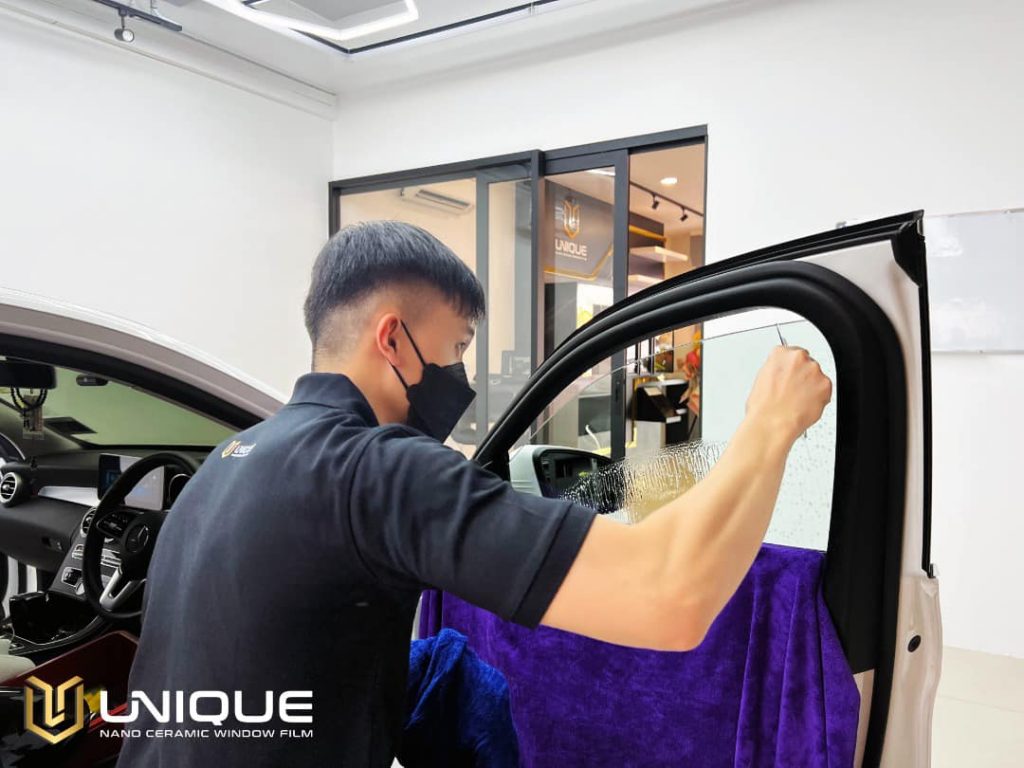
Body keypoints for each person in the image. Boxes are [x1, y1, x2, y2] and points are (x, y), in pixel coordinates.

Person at [116, 220, 831, 767]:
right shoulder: (379, 470)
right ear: (392, 339)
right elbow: (669, 597)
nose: (459, 374)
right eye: (456, 347)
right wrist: (771, 424)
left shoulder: (224, 465)